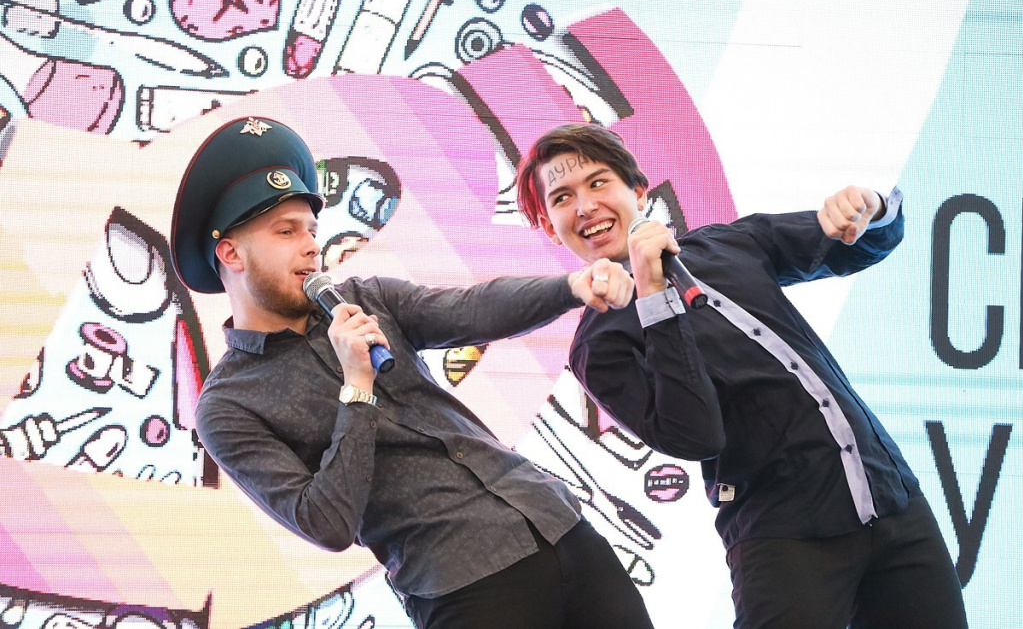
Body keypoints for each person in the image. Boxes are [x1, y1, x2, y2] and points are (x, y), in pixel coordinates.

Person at [168, 116, 655, 629]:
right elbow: (324, 522)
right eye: (286, 232)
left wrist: (572, 287)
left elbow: (471, 309)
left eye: (311, 230)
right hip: (465, 585)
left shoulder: (366, 298)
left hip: (559, 527)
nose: (311, 245)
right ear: (231, 253)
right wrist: (357, 388)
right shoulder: (227, 405)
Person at [516, 122, 968, 629]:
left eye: (598, 183)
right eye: (562, 198)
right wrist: (654, 296)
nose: (585, 206)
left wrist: (871, 207)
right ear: (550, 227)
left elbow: (855, 244)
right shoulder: (599, 344)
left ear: (638, 192)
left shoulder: (727, 243)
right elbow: (694, 435)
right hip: (784, 539)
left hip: (892, 500)